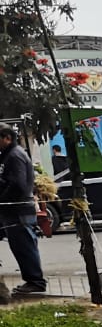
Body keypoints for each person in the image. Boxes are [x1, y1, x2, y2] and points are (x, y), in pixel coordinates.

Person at [0, 123, 47, 295]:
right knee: (19, 246)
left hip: (18, 209)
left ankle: (35, 282)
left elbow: (18, 185)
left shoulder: (15, 155)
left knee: (24, 246)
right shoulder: (7, 155)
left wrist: (2, 198)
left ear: (7, 138)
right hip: (11, 210)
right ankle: (33, 280)